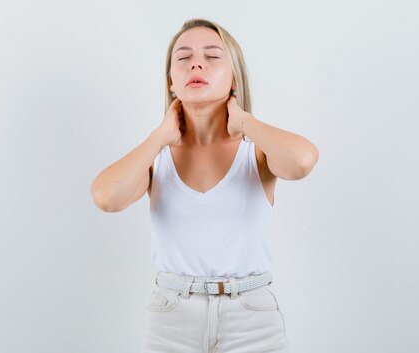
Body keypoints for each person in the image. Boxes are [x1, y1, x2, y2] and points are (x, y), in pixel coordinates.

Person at [90, 18, 319, 353]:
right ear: (171, 81)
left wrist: (244, 121)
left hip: (252, 318)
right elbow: (106, 196)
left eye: (212, 56)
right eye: (183, 58)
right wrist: (160, 136)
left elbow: (302, 161)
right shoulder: (157, 156)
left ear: (234, 78)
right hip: (172, 319)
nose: (196, 63)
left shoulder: (256, 151)